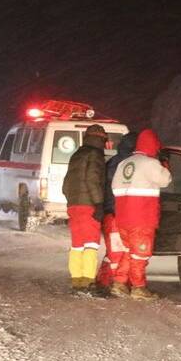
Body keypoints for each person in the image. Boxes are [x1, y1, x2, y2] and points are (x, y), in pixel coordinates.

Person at [111, 129, 171, 300]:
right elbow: (166, 180)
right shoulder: (150, 163)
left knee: (128, 252)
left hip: (122, 217)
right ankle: (138, 287)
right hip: (142, 217)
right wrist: (164, 163)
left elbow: (114, 187)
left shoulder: (124, 163)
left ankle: (120, 283)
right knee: (139, 254)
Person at [62, 124, 108, 295]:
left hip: (74, 205)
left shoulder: (77, 155)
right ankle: (88, 280)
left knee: (77, 245)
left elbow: (66, 184)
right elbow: (92, 180)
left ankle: (77, 279)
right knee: (91, 244)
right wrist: (98, 203)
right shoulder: (95, 155)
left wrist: (71, 200)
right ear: (101, 139)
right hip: (88, 205)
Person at [96, 132, 137, 290]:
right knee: (116, 252)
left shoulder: (116, 161)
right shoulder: (125, 163)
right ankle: (111, 283)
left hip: (113, 213)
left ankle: (106, 281)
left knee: (115, 251)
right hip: (114, 213)